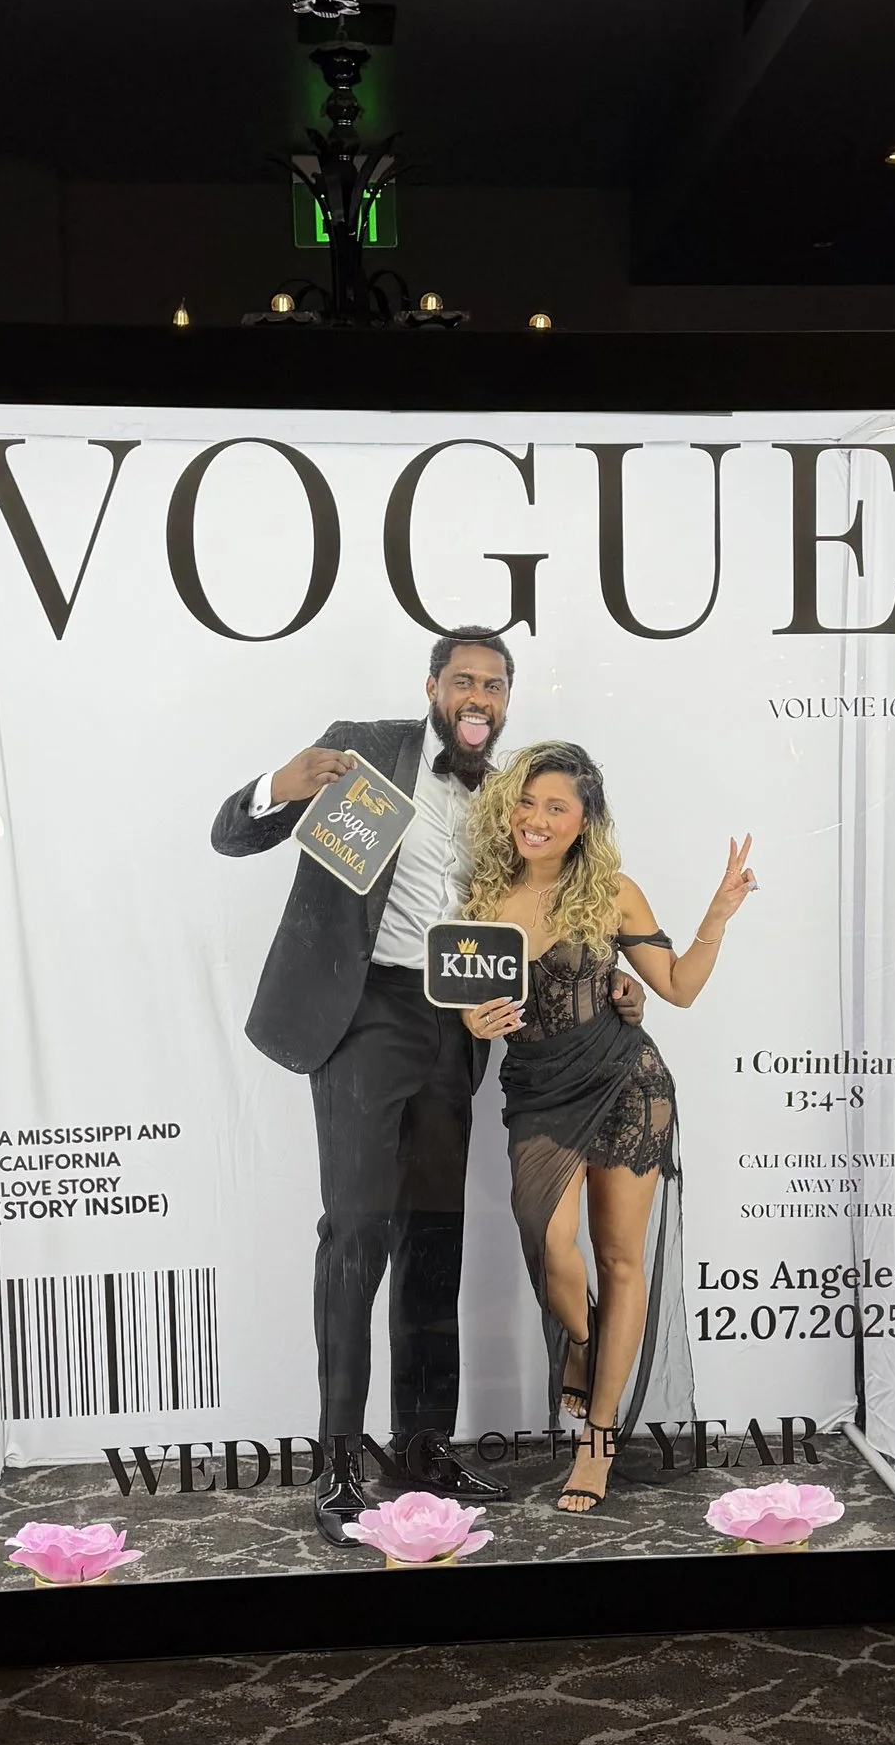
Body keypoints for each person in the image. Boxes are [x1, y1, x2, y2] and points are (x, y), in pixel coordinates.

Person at [211, 629, 641, 1547]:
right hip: (363, 1013)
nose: (478, 695)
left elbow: (560, 899)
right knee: (358, 1230)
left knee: (433, 1237)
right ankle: (335, 1462)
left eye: (495, 683)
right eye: (463, 680)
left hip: (458, 1024)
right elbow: (230, 834)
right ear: (433, 687)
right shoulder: (364, 750)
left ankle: (420, 1446)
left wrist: (612, 975)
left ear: (507, 698)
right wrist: (280, 786)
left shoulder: (515, 798)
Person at [460, 743, 756, 1516]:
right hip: (538, 1094)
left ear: (583, 820)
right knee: (549, 1238)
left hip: (629, 1084)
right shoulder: (482, 897)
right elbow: (464, 1004)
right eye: (526, 802)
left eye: (556, 806)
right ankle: (585, 1343)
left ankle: (597, 1443)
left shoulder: (612, 893)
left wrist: (716, 916)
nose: (536, 818)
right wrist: (470, 1014)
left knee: (622, 1260)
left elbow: (679, 987)